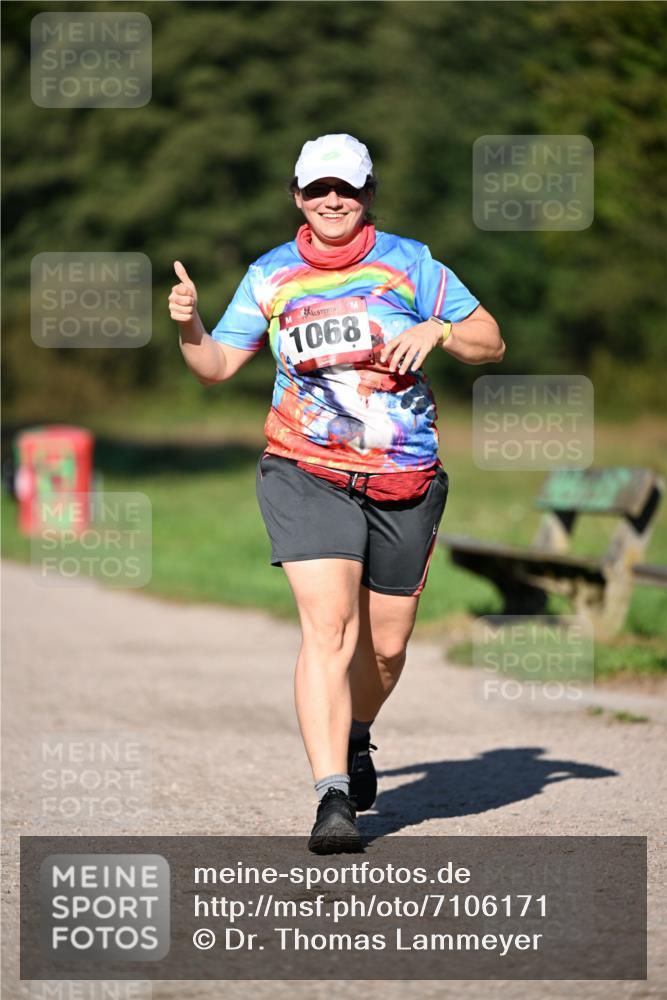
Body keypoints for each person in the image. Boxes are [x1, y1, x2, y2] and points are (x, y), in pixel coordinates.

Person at [169, 134, 504, 854]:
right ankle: (332, 797)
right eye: (317, 189)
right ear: (297, 196)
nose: (331, 200)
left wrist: (440, 330)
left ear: (367, 195)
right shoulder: (270, 274)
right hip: (304, 468)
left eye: (345, 189)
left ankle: (355, 733)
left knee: (385, 648)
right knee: (328, 629)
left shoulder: (411, 263)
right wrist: (189, 324)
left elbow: (490, 341)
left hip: (403, 476)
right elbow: (216, 365)